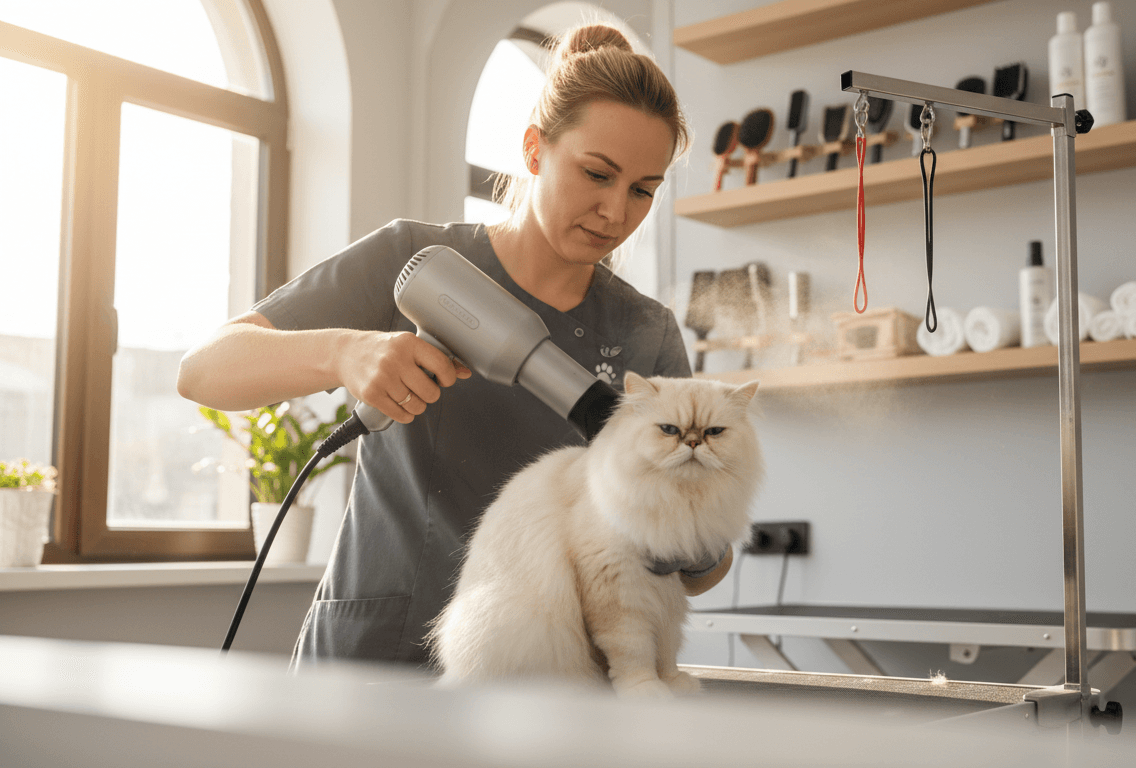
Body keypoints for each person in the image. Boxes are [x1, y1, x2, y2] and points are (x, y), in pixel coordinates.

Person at [177, 24, 732, 668]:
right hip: (378, 659)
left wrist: (688, 538)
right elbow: (205, 372)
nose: (615, 211)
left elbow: (703, 566)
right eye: (595, 174)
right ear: (534, 149)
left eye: (642, 189)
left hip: (547, 676)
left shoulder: (646, 331)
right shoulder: (416, 261)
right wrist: (345, 354)